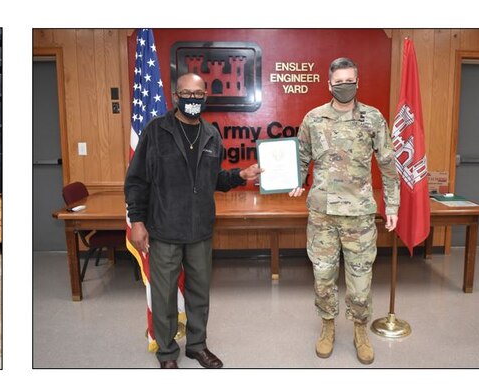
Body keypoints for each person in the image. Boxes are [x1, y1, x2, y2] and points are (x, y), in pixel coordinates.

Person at [125, 73, 262, 369]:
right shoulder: (156, 130)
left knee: (199, 291)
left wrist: (240, 175)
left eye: (198, 93)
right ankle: (167, 352)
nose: (192, 98)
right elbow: (136, 180)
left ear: (205, 97)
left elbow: (215, 179)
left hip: (200, 229)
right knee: (163, 296)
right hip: (164, 227)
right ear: (176, 96)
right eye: (186, 93)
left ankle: (197, 345)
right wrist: (137, 221)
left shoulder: (211, 134)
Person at [289, 57, 399, 365]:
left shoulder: (373, 118)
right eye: (339, 82)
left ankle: (360, 330)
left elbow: (388, 164)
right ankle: (327, 327)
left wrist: (392, 204)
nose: (344, 87)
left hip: (360, 216)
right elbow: (300, 156)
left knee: (360, 280)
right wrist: (295, 180)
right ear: (329, 84)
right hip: (322, 216)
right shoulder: (313, 118)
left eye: (349, 81)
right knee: (323, 277)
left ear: (357, 82)